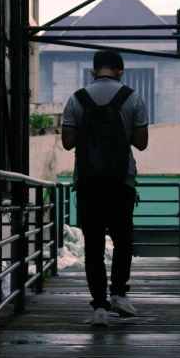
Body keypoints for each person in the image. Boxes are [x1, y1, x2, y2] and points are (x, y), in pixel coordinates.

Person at [61, 50, 149, 327]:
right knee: (123, 240)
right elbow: (142, 142)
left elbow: (67, 142)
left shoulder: (77, 98)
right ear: (120, 71)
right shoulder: (132, 97)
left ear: (93, 71)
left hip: (88, 183)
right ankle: (119, 294)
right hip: (122, 182)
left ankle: (99, 308)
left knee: (94, 245)